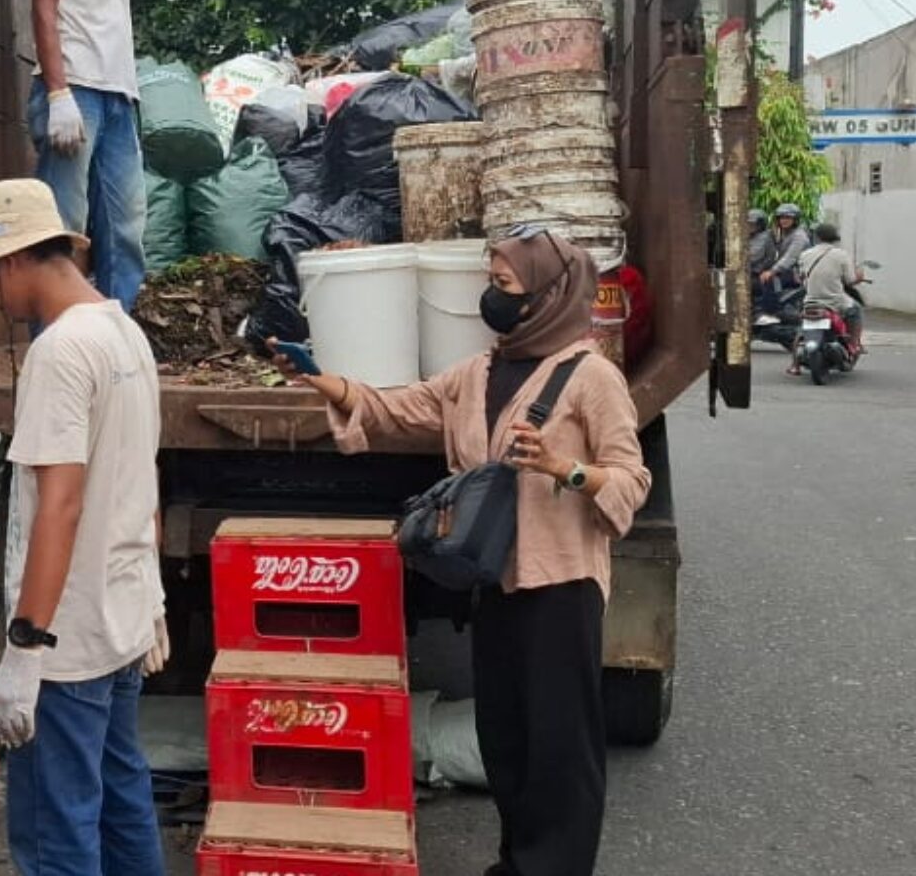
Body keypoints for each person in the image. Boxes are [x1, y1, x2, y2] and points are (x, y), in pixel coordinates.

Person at [271, 227, 650, 876]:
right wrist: (319, 378)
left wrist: (566, 468)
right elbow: (391, 409)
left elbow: (630, 478)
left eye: (503, 286)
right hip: (493, 583)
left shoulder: (593, 377)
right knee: (506, 740)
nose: (489, 298)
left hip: (561, 588)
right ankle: (516, 861)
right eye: (489, 282)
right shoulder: (476, 373)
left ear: (546, 295)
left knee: (560, 749)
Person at [0, 179, 168, 876]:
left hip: (68, 638)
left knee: (55, 827)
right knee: (122, 797)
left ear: (12, 260)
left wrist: (27, 647)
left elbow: (59, 503)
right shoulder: (125, 331)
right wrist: (150, 598)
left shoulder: (60, 352)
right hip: (120, 617)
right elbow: (142, 479)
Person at [25, 0, 166, 311]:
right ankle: (59, 345)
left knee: (126, 228)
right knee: (63, 230)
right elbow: (44, 5)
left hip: (116, 96)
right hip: (76, 90)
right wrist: (59, 94)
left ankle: (114, 338)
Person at [791, 222, 868, 375]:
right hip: (835, 302)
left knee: (802, 329)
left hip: (811, 301)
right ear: (834, 237)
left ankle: (794, 365)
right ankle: (854, 345)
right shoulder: (841, 255)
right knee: (856, 310)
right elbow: (850, 280)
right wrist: (859, 277)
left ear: (817, 237)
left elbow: (800, 278)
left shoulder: (805, 255)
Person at [756, 204, 811, 293]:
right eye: (781, 218)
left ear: (795, 220)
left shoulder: (799, 236)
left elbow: (790, 258)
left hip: (797, 273)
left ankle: (771, 307)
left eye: (788, 218)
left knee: (768, 281)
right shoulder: (782, 233)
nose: (784, 221)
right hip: (785, 271)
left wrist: (772, 271)